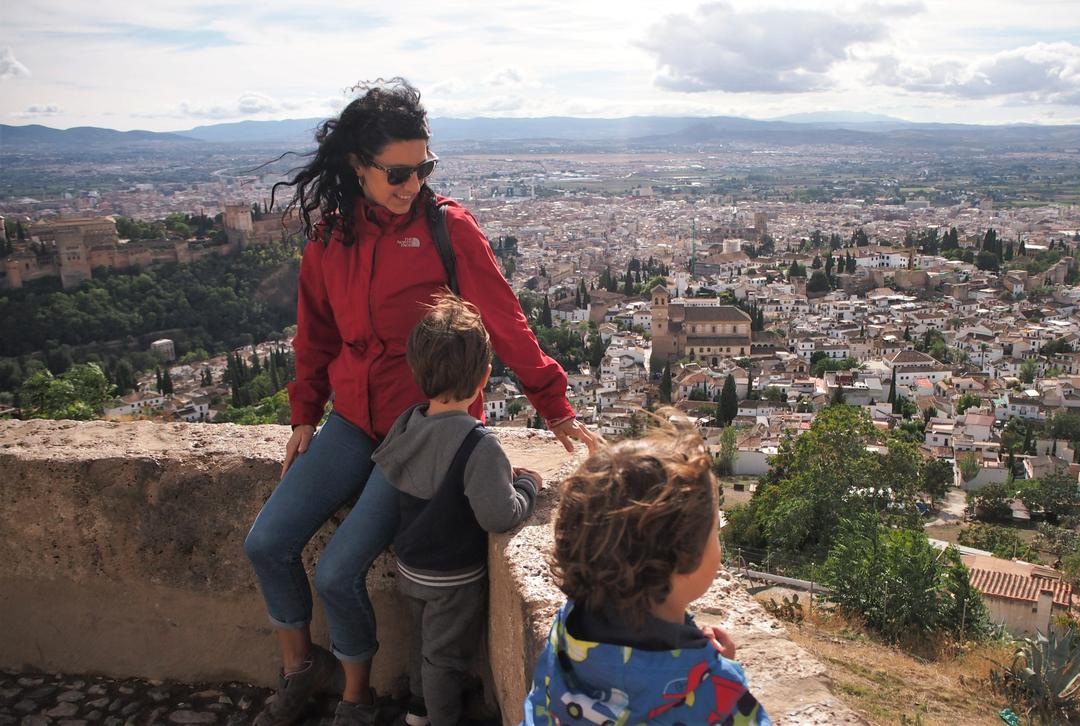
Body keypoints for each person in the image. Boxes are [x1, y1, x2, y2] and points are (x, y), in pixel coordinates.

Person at [243, 78, 596, 726]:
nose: (413, 184)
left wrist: (553, 403)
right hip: (351, 420)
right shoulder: (331, 237)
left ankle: (355, 696)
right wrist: (302, 415)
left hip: (425, 432)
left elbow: (504, 321)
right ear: (358, 166)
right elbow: (315, 332)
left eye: (423, 168)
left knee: (338, 570)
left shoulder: (447, 229)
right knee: (266, 541)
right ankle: (300, 668)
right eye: (399, 172)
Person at [522, 412, 771, 725]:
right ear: (684, 560)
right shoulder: (720, 698)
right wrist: (715, 674)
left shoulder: (567, 629)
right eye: (715, 531)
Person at [371, 295, 542, 726]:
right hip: (451, 577)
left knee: (420, 643)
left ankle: (416, 708)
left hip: (410, 565)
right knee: (443, 660)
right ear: (484, 376)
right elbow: (499, 516)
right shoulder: (478, 444)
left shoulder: (409, 423)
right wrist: (526, 485)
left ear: (417, 370)